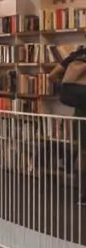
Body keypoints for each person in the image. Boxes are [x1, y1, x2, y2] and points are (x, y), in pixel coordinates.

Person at [50, 45, 86, 203]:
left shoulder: (77, 55)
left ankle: (83, 195)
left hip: (81, 112)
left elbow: (52, 75)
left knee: (84, 153)